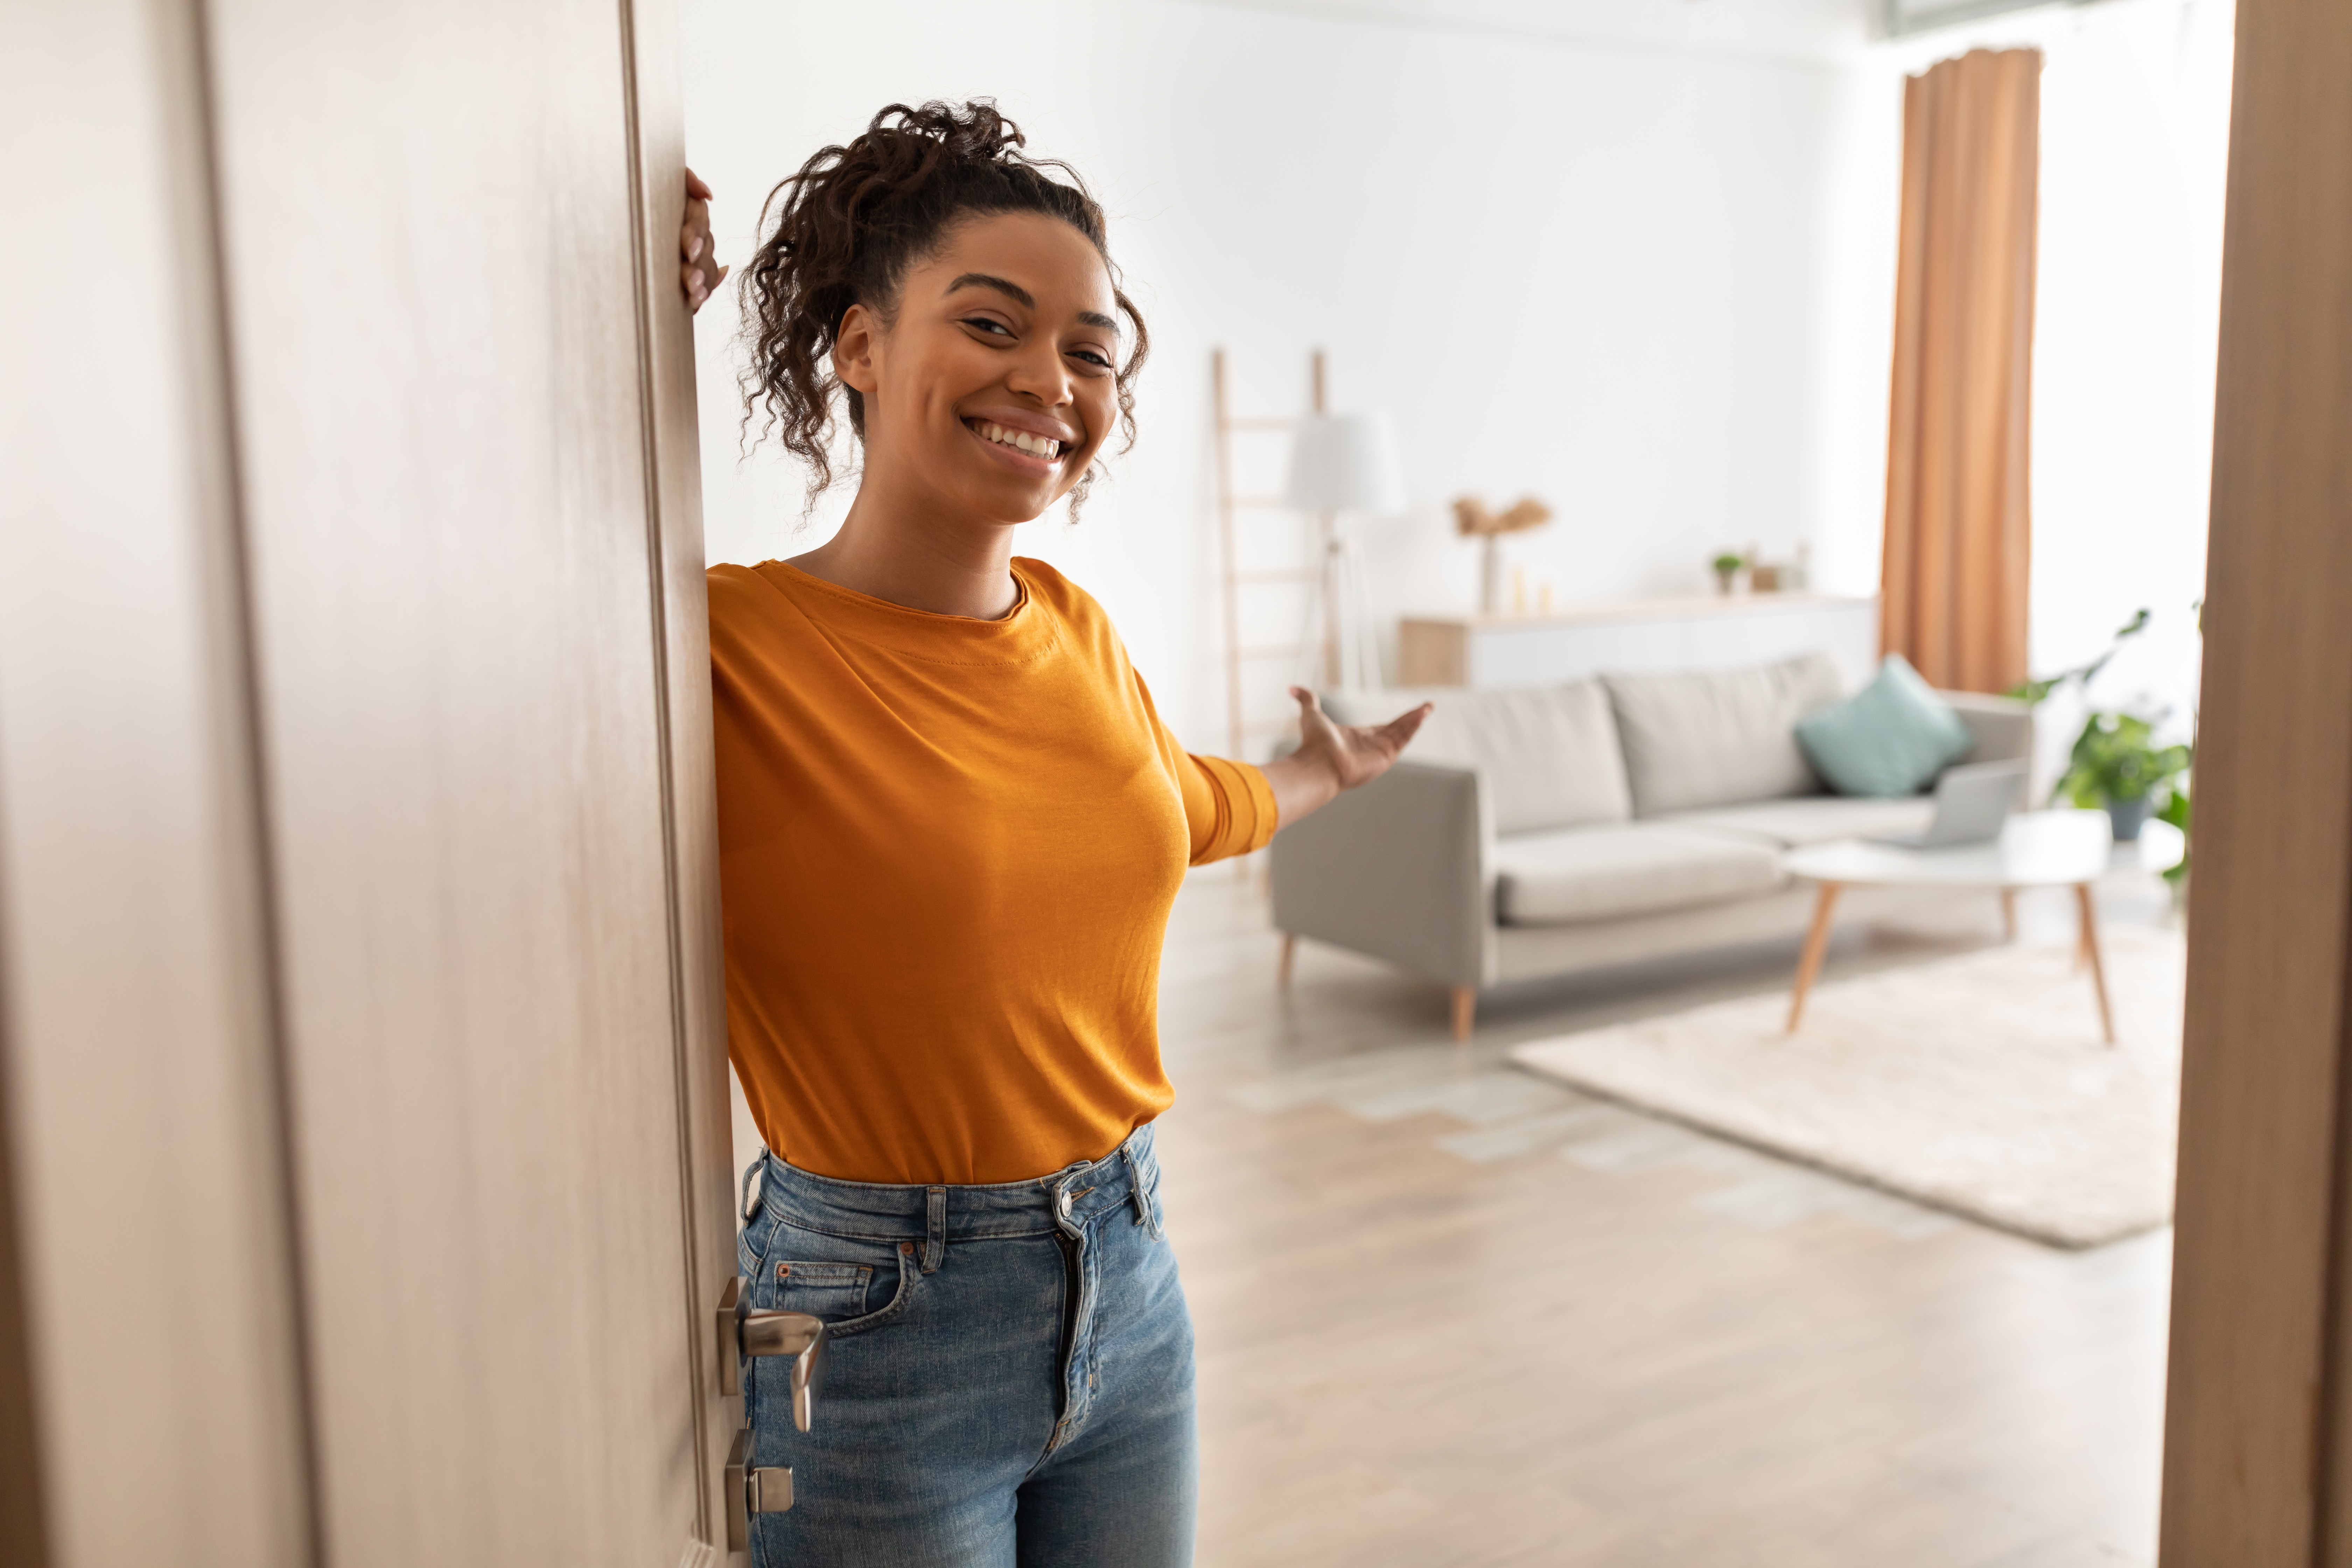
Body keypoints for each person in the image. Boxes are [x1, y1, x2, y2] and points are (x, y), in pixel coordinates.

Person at [679, 101, 1427, 1567]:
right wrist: (583, 308)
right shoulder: (722, 648)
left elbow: (1173, 809)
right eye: (994, 324)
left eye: (1090, 349)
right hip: (872, 1329)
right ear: (861, 344)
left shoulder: (1076, 631)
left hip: (1132, 1282)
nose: (1051, 379)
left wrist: (1318, 773)